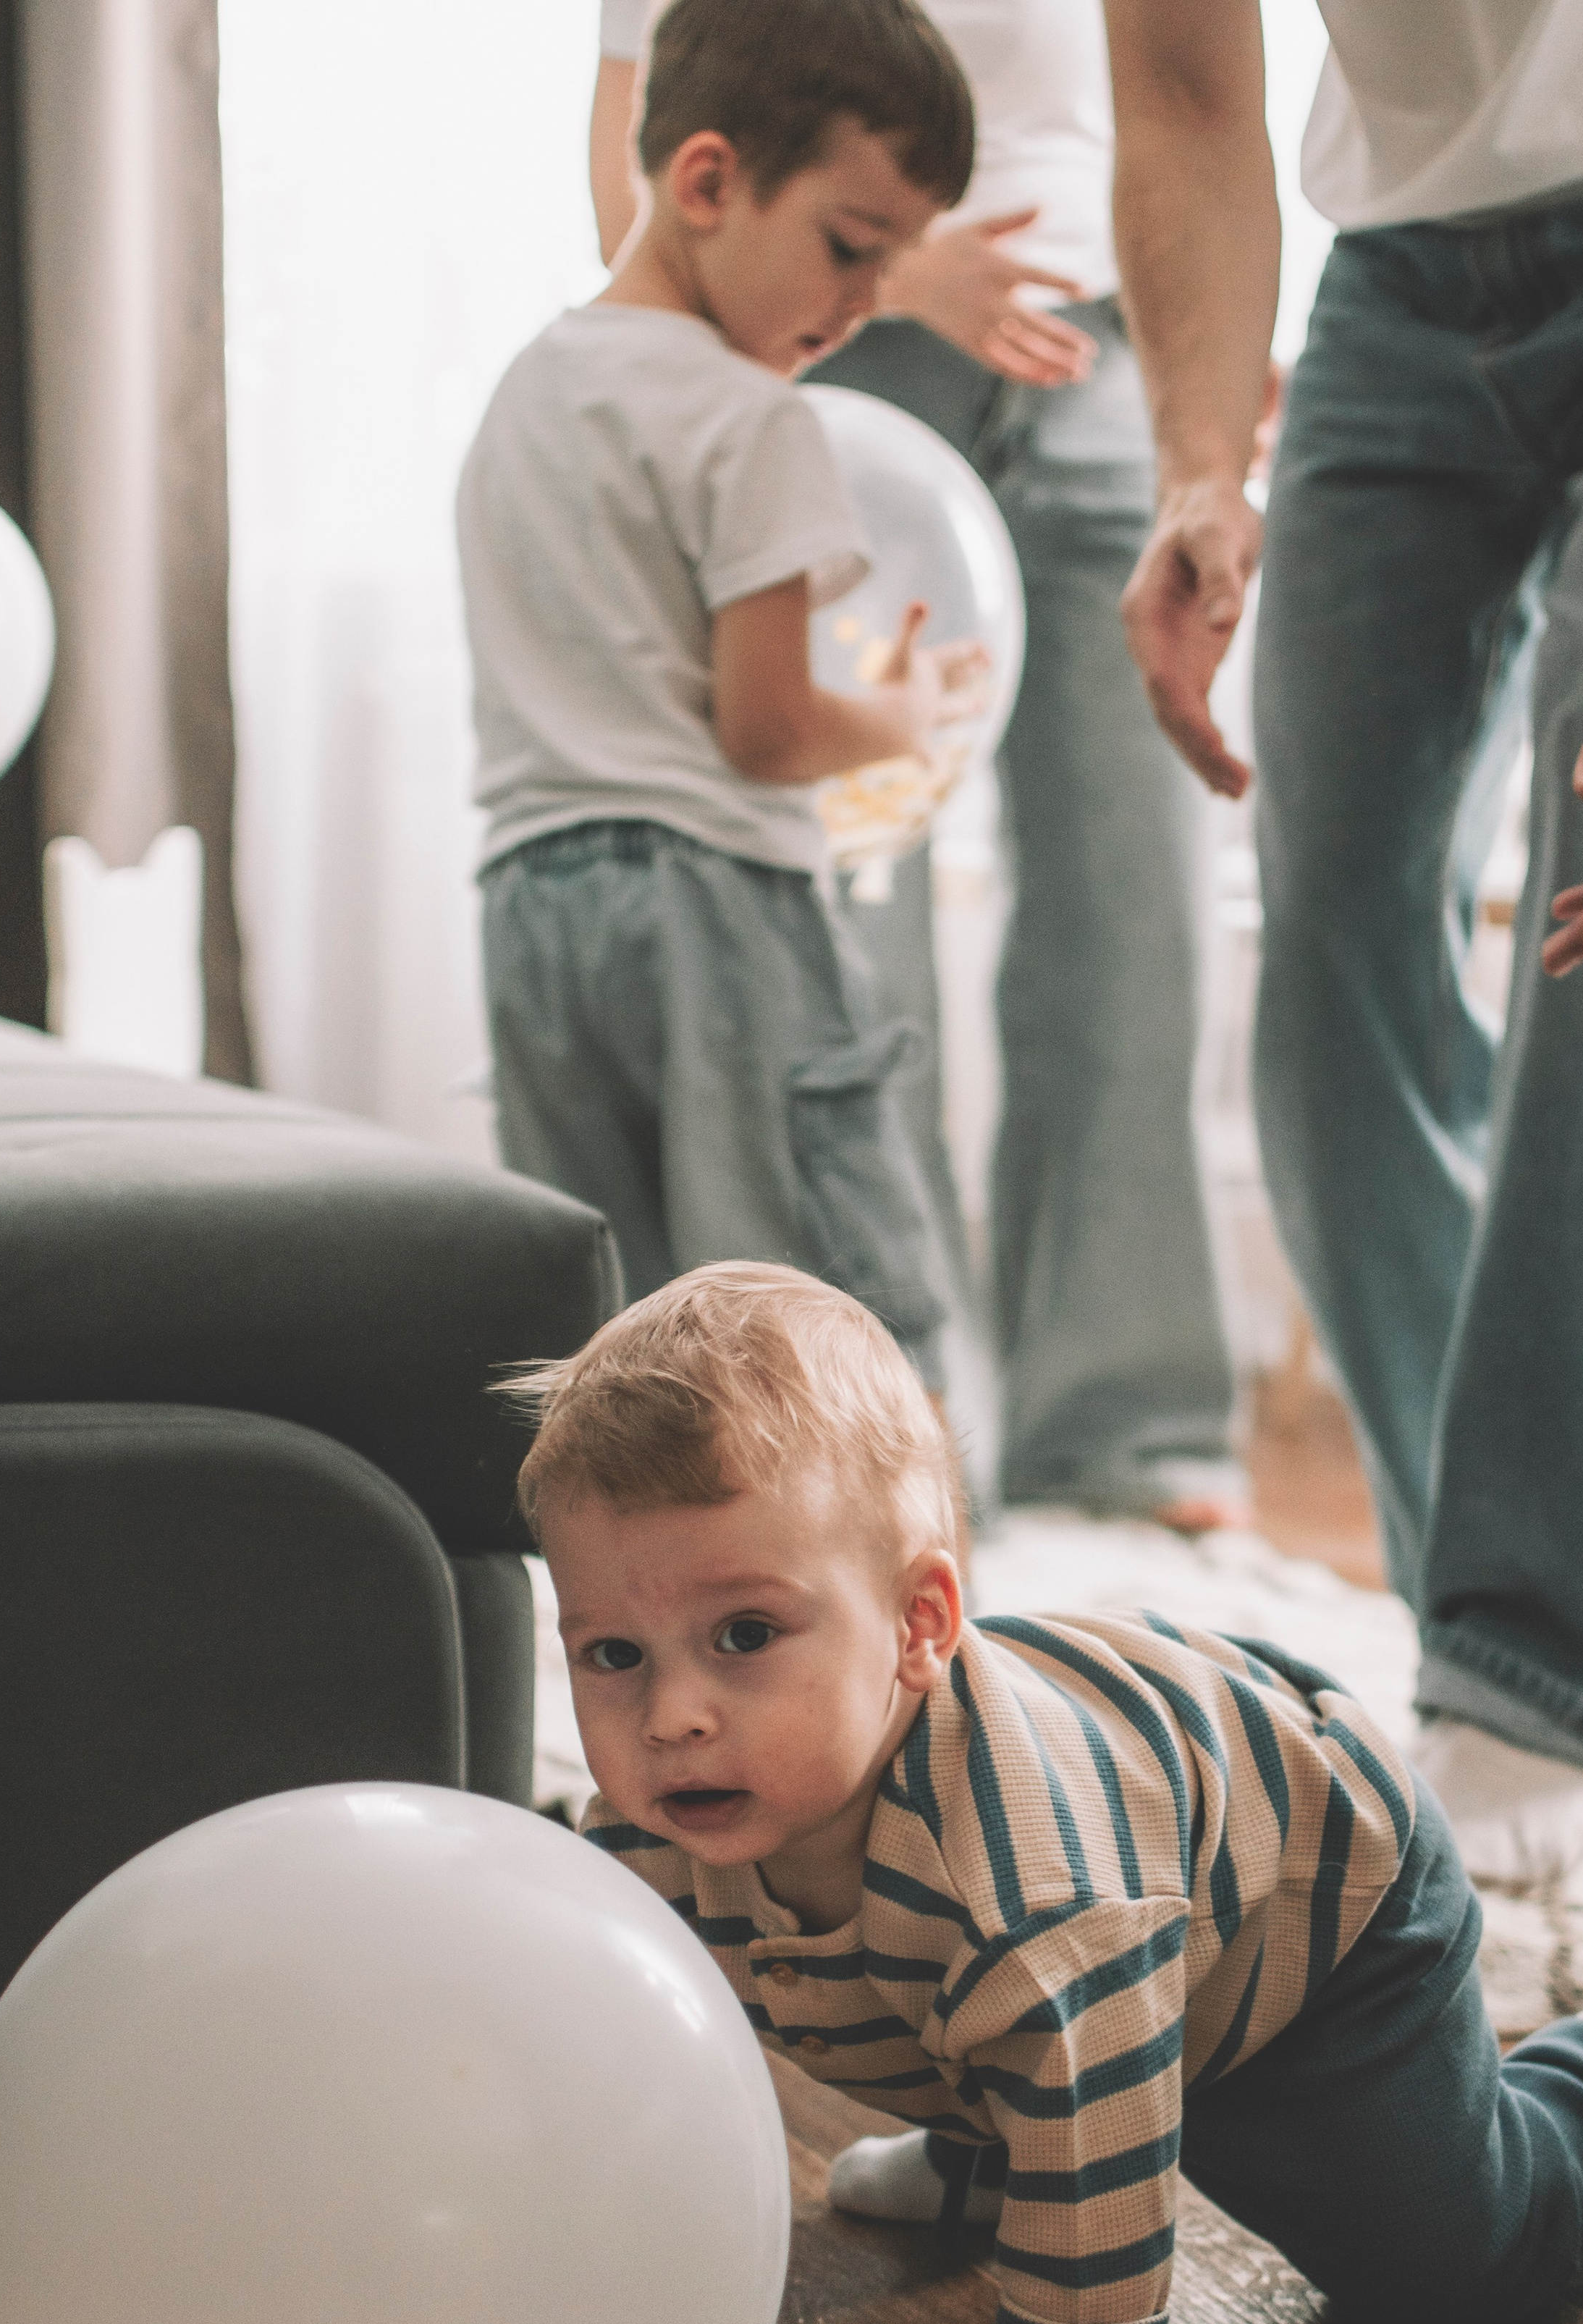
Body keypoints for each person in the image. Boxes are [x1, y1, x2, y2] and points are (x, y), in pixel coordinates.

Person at [523, 1258, 1583, 2324]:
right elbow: (607, 2017)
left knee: (1434, 2269)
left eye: (743, 1636)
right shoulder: (667, 1821)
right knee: (1006, 2027)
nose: (672, 1715)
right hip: (1114, 1919)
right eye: (615, 1654)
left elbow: (1099, 2109)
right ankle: (986, 2145)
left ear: (915, 1626)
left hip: (1318, 1922)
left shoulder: (1029, 1896)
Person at [1103, 0, 1583, 1888]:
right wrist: (1197, 469)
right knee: (1323, 948)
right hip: (1399, 286)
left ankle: (1536, 1671)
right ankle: (1481, 1600)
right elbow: (1180, 91)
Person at [589, 0, 1251, 1532]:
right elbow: (632, 153)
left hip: (1102, 357)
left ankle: (1128, 1429)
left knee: (1130, 913)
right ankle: (880, 1441)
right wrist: (890, 264)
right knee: (846, 951)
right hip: (839, 366)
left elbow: (1198, 108)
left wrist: (1207, 403)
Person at [457, 0, 984, 1387]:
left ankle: (638, 1607)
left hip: (533, 910)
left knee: (614, 1346)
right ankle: (876, 1606)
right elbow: (769, 728)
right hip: (715, 910)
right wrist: (905, 713)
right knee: (817, 1321)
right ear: (706, 181)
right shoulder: (753, 418)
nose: (865, 306)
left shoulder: (524, 395)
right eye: (850, 249)